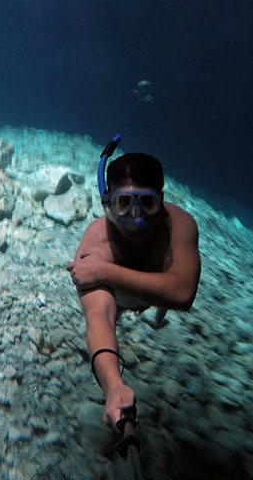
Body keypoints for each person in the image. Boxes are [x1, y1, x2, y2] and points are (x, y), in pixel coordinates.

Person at [67, 138, 201, 428]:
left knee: (162, 300)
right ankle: (155, 311)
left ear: (162, 201)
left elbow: (182, 293)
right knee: (122, 307)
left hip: (151, 290)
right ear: (108, 203)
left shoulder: (179, 224)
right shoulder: (96, 242)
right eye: (124, 203)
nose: (136, 217)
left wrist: (105, 272)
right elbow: (100, 317)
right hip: (130, 296)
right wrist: (114, 387)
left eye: (147, 202)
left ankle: (157, 314)